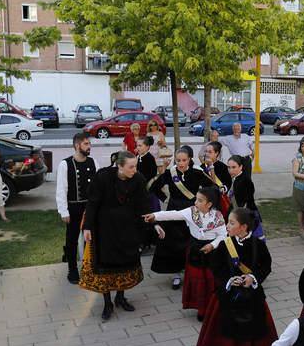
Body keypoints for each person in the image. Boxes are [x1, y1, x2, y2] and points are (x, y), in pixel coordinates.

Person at [196, 208, 277, 346]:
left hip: (253, 298)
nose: (227, 225)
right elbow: (216, 268)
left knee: (258, 334)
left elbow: (266, 266)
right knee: (226, 330)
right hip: (228, 297)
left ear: (244, 227)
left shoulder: (258, 245)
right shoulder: (225, 244)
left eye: (232, 223)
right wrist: (229, 279)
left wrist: (253, 278)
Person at [81, 151, 148, 321]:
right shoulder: (103, 177)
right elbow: (92, 203)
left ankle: (120, 297)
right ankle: (107, 303)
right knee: (105, 266)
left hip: (128, 229)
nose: (134, 170)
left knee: (124, 264)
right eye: (131, 167)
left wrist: (154, 224)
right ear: (119, 166)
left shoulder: (138, 179)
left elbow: (143, 205)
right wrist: (87, 226)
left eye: (136, 166)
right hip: (105, 229)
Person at [145, 186, 227, 321]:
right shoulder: (191, 212)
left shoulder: (217, 216)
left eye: (200, 201)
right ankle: (201, 309)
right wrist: (155, 215)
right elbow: (173, 214)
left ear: (209, 204)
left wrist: (212, 245)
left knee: (212, 281)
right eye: (196, 199)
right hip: (196, 251)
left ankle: (213, 309)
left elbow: (223, 235)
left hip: (213, 253)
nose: (196, 203)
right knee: (198, 282)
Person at [148, 147, 214, 289]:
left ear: (190, 159)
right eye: (178, 160)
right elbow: (154, 187)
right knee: (173, 242)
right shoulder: (170, 173)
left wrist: (202, 201)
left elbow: (212, 187)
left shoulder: (197, 172)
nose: (181, 163)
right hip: (174, 210)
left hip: (193, 210)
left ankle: (192, 272)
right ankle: (176, 274)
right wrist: (165, 198)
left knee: (192, 241)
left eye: (184, 160)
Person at [56, 133, 97, 284]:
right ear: (77, 145)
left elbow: (98, 186)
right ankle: (72, 269)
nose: (89, 147)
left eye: (89, 144)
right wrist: (64, 211)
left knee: (90, 239)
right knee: (72, 240)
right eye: (86, 144)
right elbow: (61, 190)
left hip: (90, 208)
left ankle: (89, 268)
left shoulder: (93, 162)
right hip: (73, 207)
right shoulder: (65, 164)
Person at [227, 155, 265, 240]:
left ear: (241, 167)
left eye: (234, 167)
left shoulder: (245, 180)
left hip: (247, 213)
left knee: (255, 239)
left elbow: (246, 198)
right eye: (229, 167)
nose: (230, 170)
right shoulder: (234, 178)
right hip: (238, 212)